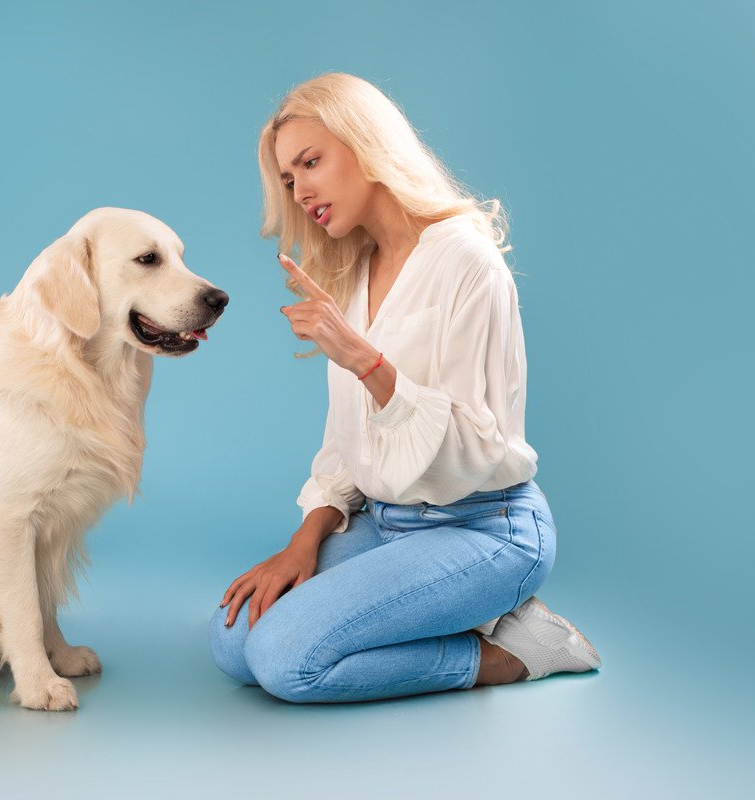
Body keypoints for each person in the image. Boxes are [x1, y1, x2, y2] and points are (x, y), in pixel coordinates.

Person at [208, 73, 601, 703]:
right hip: (388, 524)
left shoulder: (467, 261)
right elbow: (346, 447)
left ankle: (516, 651)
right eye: (288, 179)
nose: (300, 190)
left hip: (486, 527)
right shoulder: (351, 271)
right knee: (233, 643)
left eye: (311, 162)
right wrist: (301, 543)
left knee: (285, 663)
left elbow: (480, 443)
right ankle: (445, 607)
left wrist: (367, 362)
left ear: (366, 144)